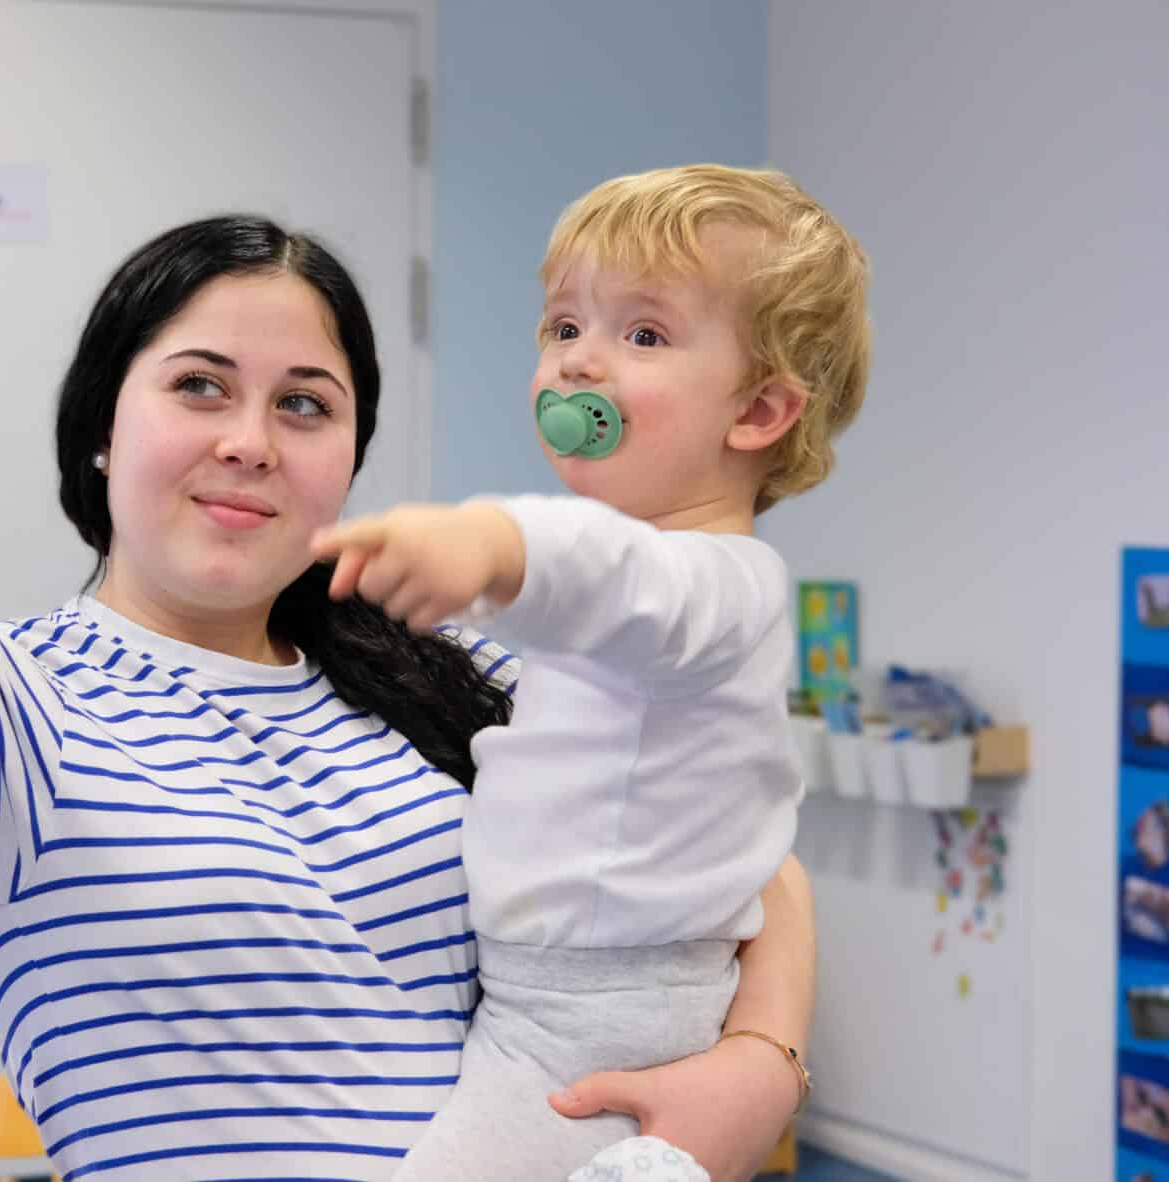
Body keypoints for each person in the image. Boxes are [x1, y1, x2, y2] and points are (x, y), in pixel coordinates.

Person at [0, 48, 819, 1180]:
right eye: (199, 385)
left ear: (346, 457)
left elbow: (745, 852)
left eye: (304, 403)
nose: (250, 439)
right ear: (101, 425)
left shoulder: (448, 666)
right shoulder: (5, 718)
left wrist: (760, 1065)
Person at [313, 165, 868, 1181]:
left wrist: (486, 541)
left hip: (598, 1014)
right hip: (565, 994)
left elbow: (604, 572)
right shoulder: (647, 609)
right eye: (564, 327)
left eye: (642, 335)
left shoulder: (716, 588)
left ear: (757, 413)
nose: (578, 363)